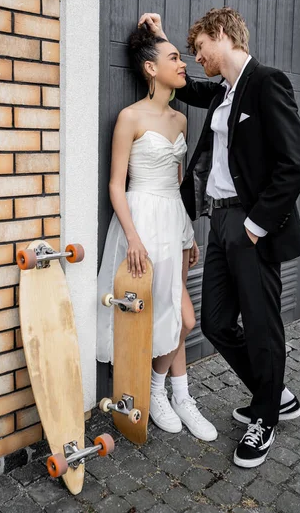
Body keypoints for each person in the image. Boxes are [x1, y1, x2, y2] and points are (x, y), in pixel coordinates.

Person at [139, 7, 300, 468]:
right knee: (215, 322)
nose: (195, 58)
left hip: (252, 226)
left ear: (222, 36)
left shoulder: (267, 82)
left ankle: (266, 417)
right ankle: (275, 394)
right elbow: (185, 84)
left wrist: (257, 224)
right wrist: (160, 37)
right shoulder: (223, 94)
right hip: (219, 224)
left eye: (198, 49)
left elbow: (296, 161)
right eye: (189, 53)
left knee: (261, 324)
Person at [97, 25, 217, 441]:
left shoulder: (181, 118)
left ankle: (177, 395)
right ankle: (155, 389)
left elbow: (180, 180)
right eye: (173, 58)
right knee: (172, 316)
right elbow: (116, 185)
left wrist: (189, 234)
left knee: (177, 315)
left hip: (174, 221)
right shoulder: (130, 117)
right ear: (151, 68)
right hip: (141, 221)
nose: (182, 63)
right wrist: (132, 237)